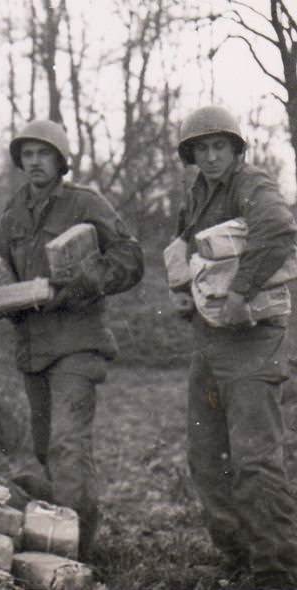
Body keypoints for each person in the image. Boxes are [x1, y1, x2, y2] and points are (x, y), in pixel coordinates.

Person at [0, 120, 144, 560]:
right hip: (32, 349)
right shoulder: (13, 213)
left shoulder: (84, 203)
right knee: (42, 449)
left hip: (76, 341)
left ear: (60, 160)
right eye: (27, 154)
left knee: (68, 446)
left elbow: (129, 257)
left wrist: (87, 281)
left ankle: (76, 554)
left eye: (43, 153)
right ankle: (50, 540)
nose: (34, 162)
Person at [170, 105, 297, 589]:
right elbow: (183, 248)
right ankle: (239, 555)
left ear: (235, 149)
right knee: (206, 456)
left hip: (251, 340)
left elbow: (279, 230)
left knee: (255, 460)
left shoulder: (253, 185)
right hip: (210, 339)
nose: (210, 156)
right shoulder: (197, 194)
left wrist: (242, 290)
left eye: (218, 146)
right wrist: (183, 290)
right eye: (200, 149)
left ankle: (275, 570)